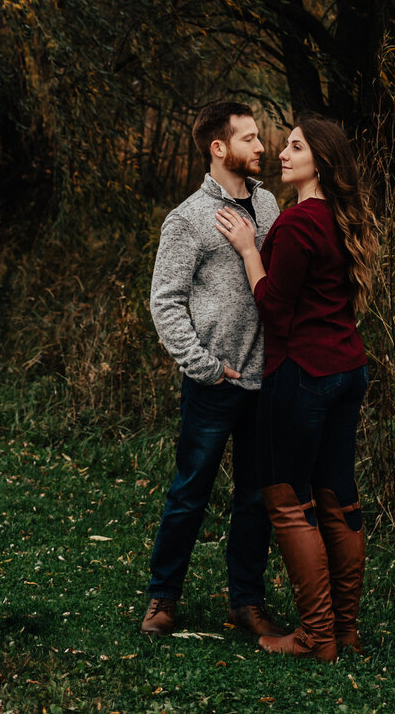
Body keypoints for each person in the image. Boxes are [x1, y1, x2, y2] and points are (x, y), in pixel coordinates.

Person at [215, 115, 377, 662]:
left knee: (290, 501)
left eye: (297, 148)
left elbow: (272, 307)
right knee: (339, 497)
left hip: (303, 374)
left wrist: (247, 250)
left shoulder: (296, 224)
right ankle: (345, 632)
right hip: (348, 370)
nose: (283, 155)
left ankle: (315, 636)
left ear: (321, 161)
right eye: (283, 147)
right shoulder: (344, 218)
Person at [141, 101, 283, 641]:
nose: (261, 147)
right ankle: (162, 598)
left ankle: (245, 603)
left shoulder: (268, 205)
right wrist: (204, 367)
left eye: (260, 137)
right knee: (190, 490)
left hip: (264, 381)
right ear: (219, 148)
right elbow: (166, 303)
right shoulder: (188, 219)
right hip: (214, 382)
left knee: (254, 498)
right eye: (250, 138)